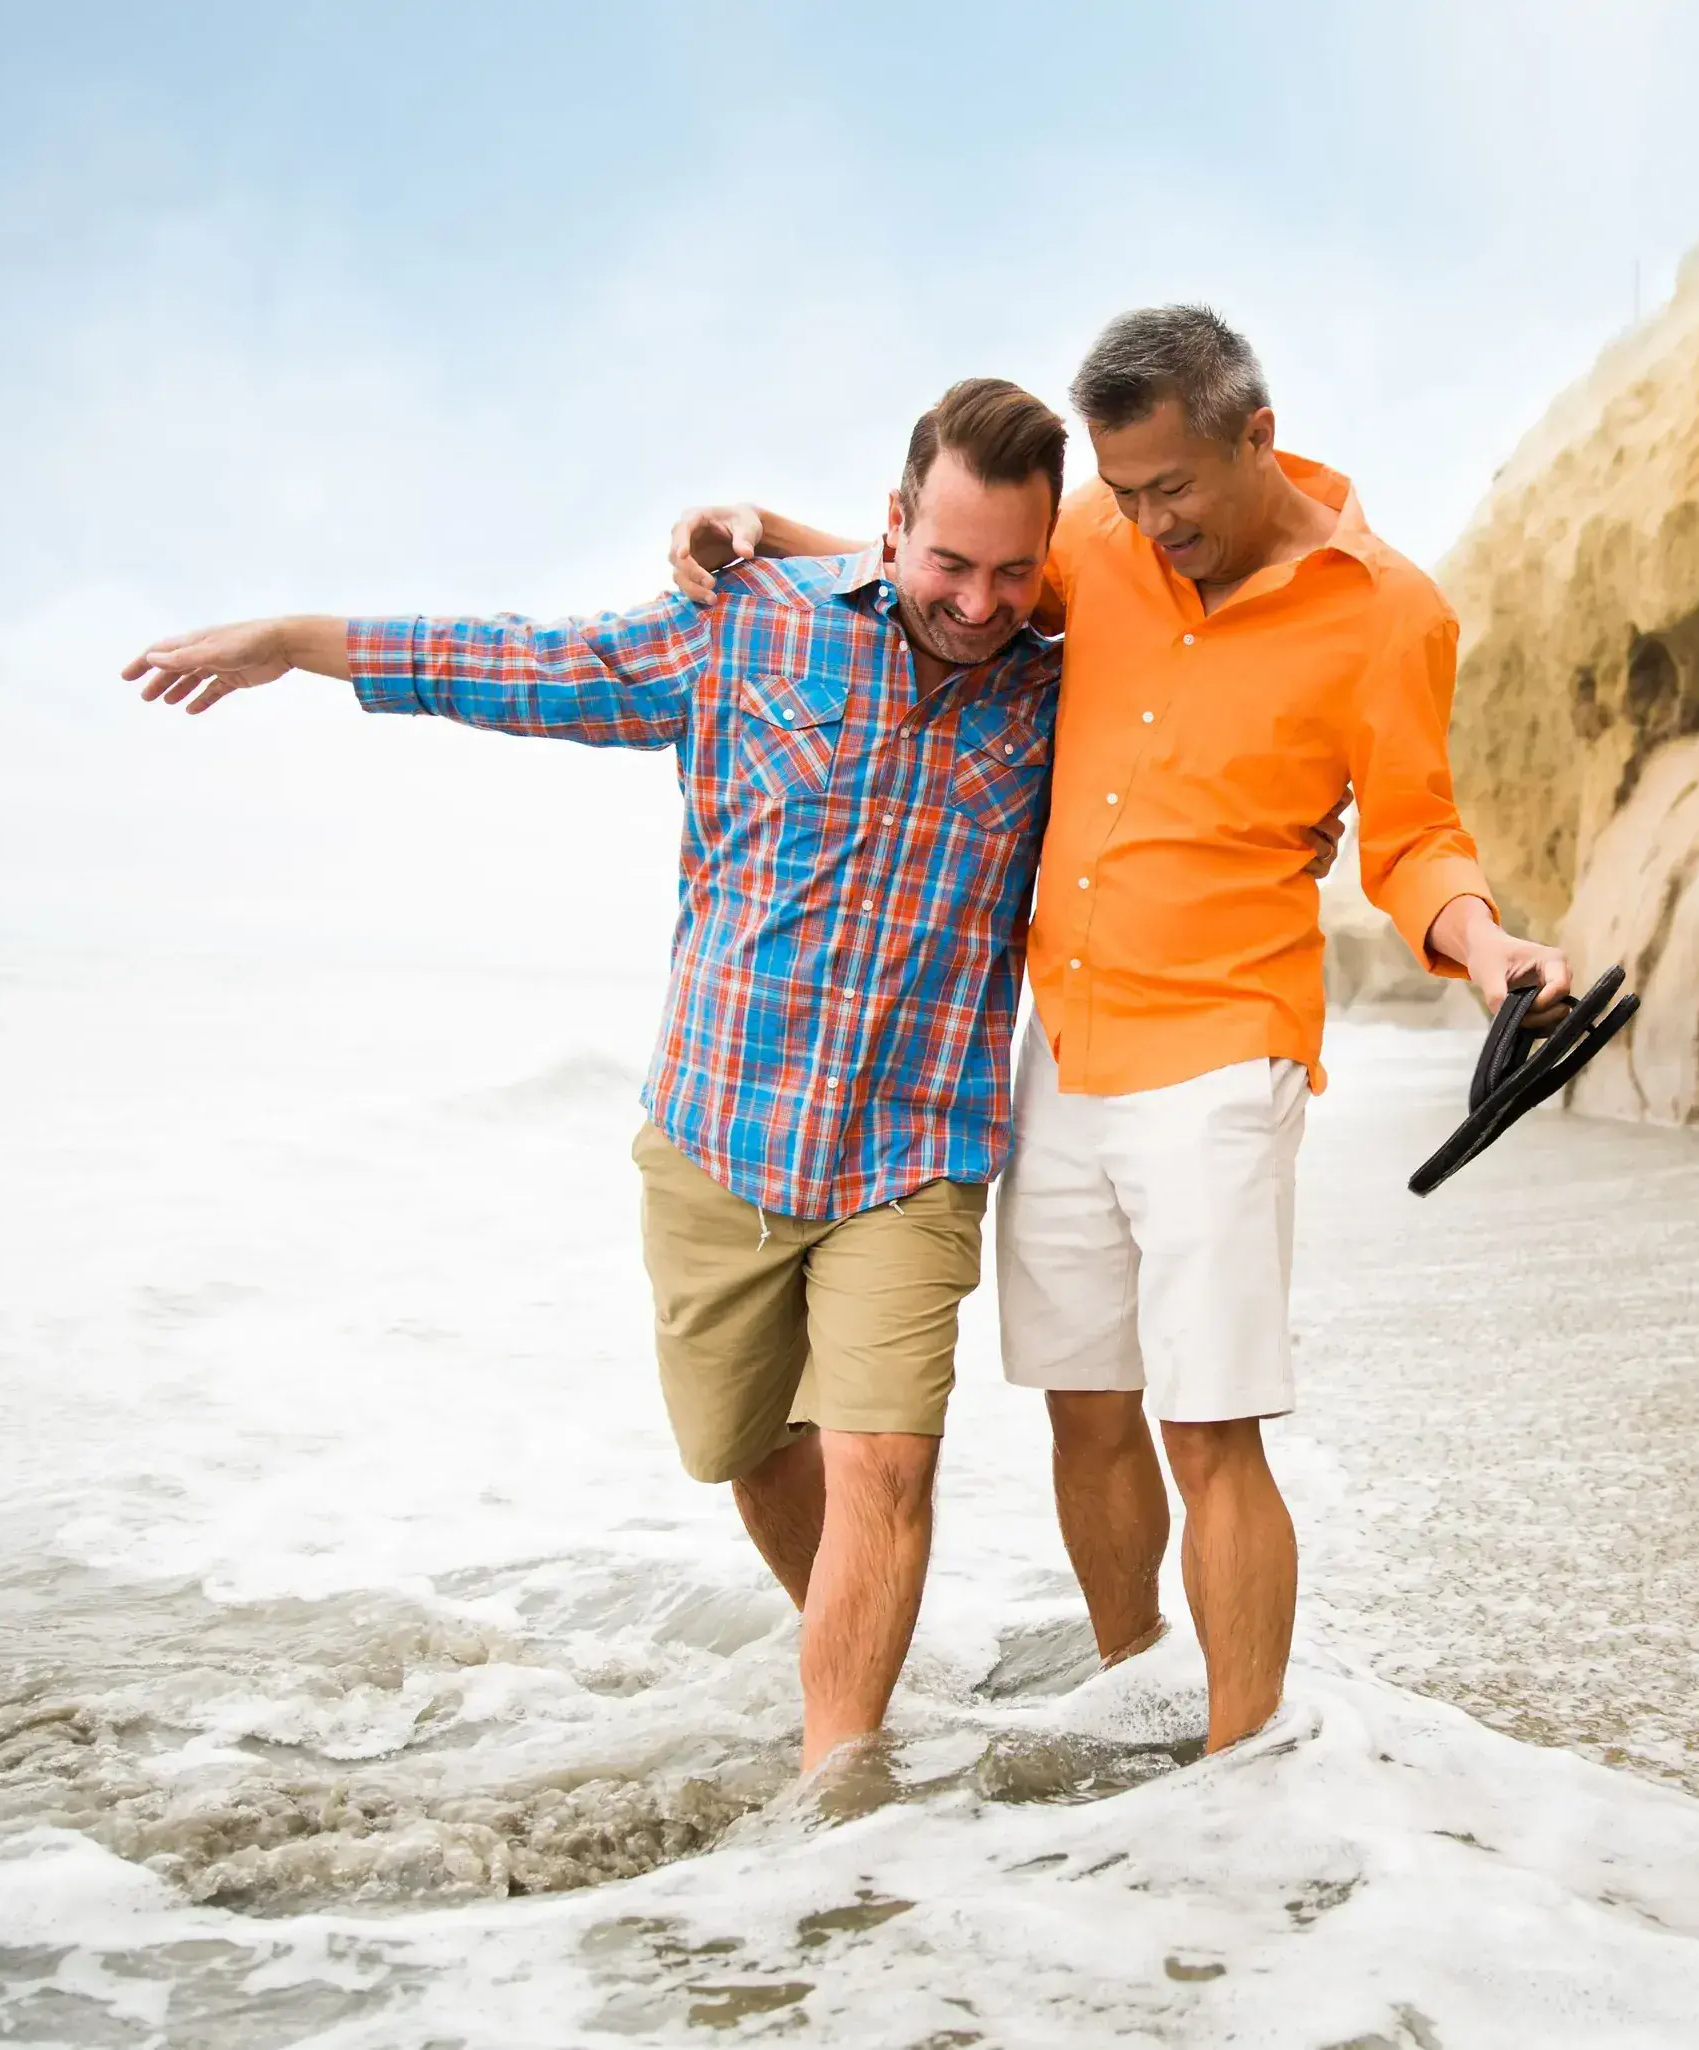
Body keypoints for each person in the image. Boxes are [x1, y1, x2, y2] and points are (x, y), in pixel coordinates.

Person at [123, 379, 1072, 1778]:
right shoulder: (752, 621)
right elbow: (513, 661)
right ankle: (867, 1667)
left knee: (885, 1464)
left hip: (911, 1154)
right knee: (749, 1450)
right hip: (718, 1133)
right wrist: (295, 641)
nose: (981, 602)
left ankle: (844, 1796)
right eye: (950, 561)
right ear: (891, 524)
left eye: (1011, 570)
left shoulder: (1060, 684)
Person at [671, 308, 1570, 1753]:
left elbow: (1412, 840)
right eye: (1124, 493)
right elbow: (944, 575)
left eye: (1172, 491)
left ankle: (1241, 1763)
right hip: (1067, 1046)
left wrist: (1486, 944)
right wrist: (756, 524)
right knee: (1084, 1412)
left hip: (1225, 1043)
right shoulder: (1097, 534)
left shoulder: (1391, 613)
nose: (1145, 523)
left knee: (1209, 1429)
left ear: (1255, 439)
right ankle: (1134, 1677)